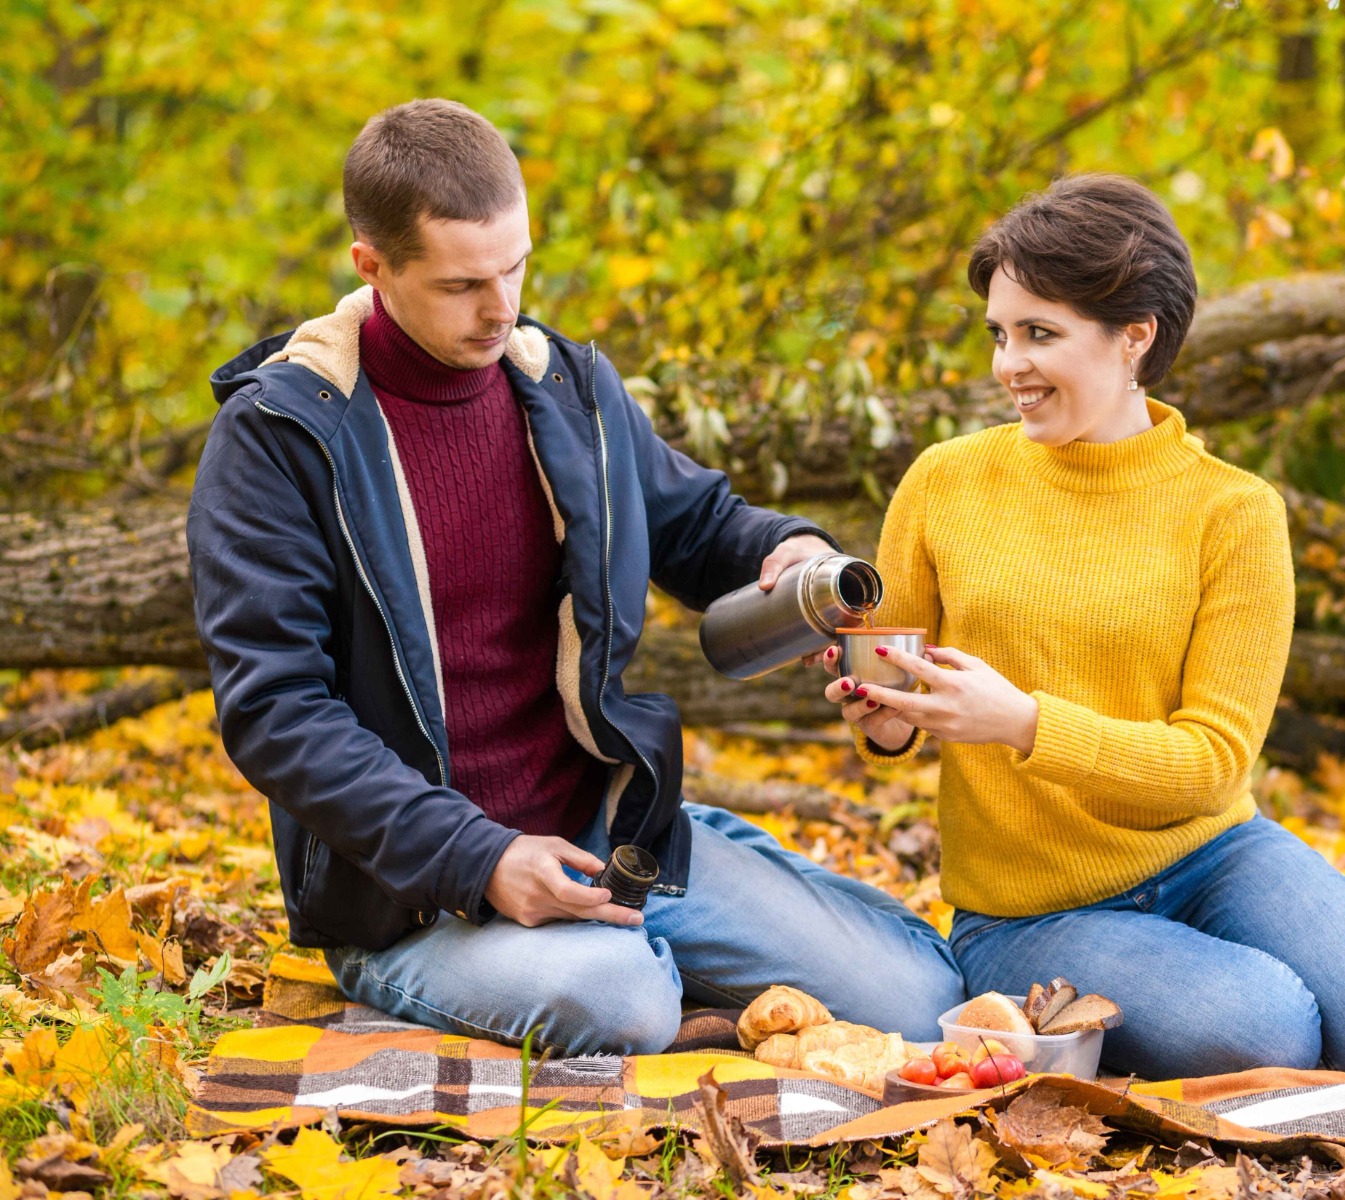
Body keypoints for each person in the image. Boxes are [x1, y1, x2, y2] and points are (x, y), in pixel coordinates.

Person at [188, 98, 963, 1057]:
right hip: (419, 893)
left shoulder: (566, 387)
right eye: (463, 283)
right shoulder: (281, 437)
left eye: (516, 266)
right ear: (372, 266)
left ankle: (688, 914)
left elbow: (699, 524)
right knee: (619, 1003)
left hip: (607, 835)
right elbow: (276, 713)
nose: (502, 306)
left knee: (921, 996)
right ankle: (639, 980)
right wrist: (481, 856)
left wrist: (790, 550)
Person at [823, 174, 1345, 1082]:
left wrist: (1027, 724)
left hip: (1213, 852)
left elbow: (1212, 764)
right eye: (1000, 334)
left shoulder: (1232, 511)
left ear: (1135, 336)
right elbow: (899, 699)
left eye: (1041, 334)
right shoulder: (944, 483)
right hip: (1030, 911)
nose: (1009, 365)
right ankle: (1332, 957)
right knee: (1266, 1032)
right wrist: (882, 721)